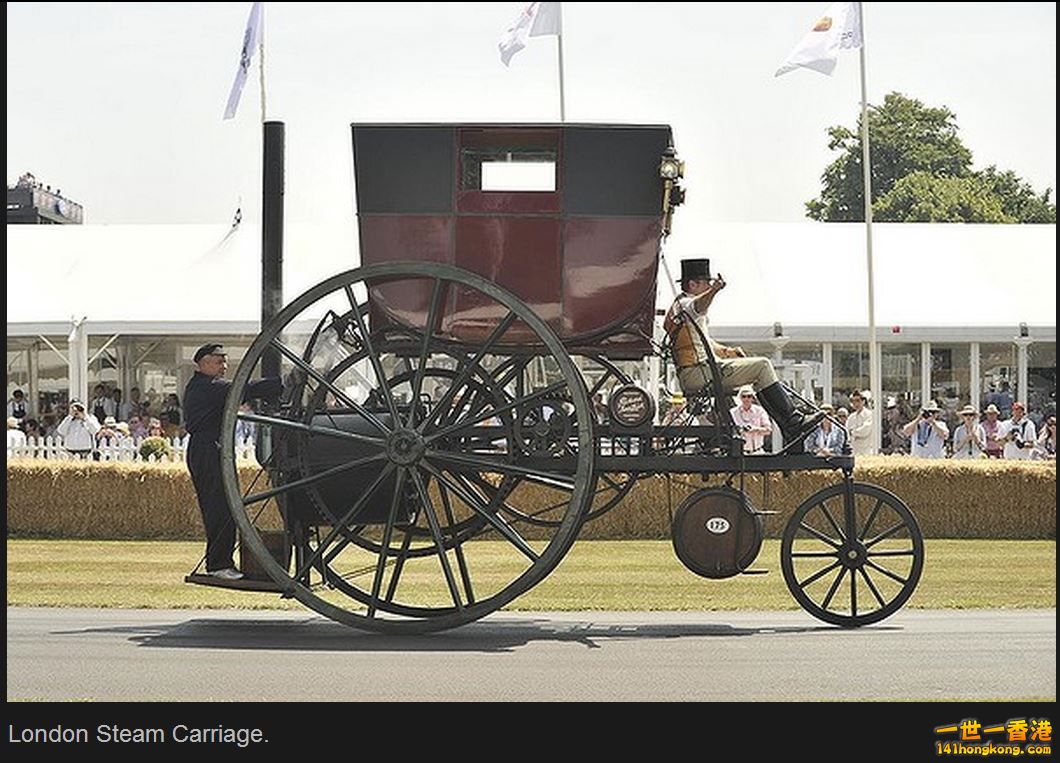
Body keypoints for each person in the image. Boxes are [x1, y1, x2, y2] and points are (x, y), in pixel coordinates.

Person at [664, 258, 822, 450]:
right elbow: (699, 306)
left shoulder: (679, 308)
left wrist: (727, 351)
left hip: (696, 372)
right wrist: (714, 291)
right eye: (705, 283)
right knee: (762, 366)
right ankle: (793, 423)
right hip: (700, 373)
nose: (708, 286)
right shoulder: (687, 304)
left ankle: (790, 425)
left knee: (757, 370)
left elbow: (701, 342)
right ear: (692, 284)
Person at [184, 343, 281, 581]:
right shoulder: (207, 387)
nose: (224, 366)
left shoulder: (207, 385)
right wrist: (281, 383)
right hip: (207, 450)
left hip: (214, 449)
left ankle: (221, 561)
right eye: (219, 361)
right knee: (219, 508)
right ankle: (218, 564)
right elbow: (243, 390)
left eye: (225, 361)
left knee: (225, 507)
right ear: (203, 363)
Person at [729, 385, 771, 454]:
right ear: (740, 398)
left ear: (752, 398)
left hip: (758, 452)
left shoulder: (760, 411)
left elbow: (768, 430)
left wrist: (755, 429)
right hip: (741, 453)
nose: (746, 399)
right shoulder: (733, 412)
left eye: (749, 396)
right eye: (744, 396)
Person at [845, 390, 874, 456]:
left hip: (866, 451)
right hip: (854, 450)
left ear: (863, 401)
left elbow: (865, 430)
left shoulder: (869, 414)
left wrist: (853, 432)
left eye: (858, 400)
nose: (856, 404)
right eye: (853, 401)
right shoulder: (851, 417)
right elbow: (846, 430)